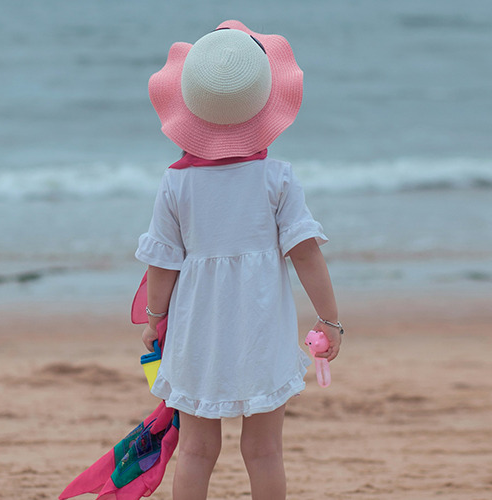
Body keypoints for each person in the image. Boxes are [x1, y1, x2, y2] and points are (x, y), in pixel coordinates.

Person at [135, 20, 343, 500]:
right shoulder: (277, 179)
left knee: (196, 450)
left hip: (196, 328)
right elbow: (306, 254)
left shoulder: (177, 183)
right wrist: (329, 319)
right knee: (265, 450)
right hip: (262, 326)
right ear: (266, 104)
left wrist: (155, 319)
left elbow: (162, 262)